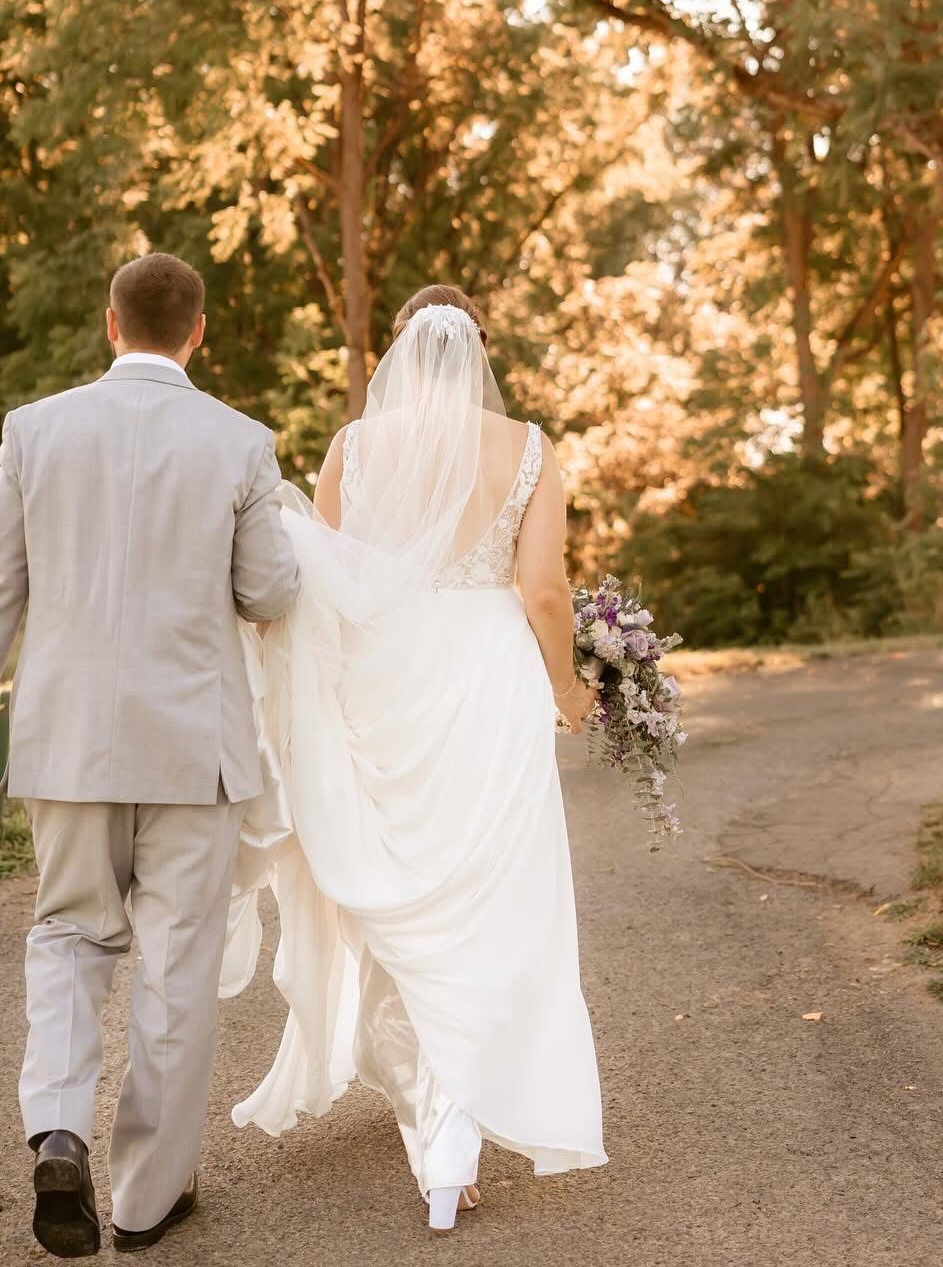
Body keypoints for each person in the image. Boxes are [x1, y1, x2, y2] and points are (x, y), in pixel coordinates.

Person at [0, 252, 300, 1257]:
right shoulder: (241, 442)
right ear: (199, 332)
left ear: (109, 324)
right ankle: (145, 1201)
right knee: (175, 968)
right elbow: (269, 592)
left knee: (68, 939)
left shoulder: (35, 432)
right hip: (194, 749)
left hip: (69, 745)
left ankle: (58, 1128)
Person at [222, 283, 607, 1232]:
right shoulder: (525, 446)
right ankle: (455, 1122)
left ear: (398, 351)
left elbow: (329, 584)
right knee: (489, 894)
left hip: (385, 677)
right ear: (480, 346)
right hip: (487, 675)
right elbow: (546, 592)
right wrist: (567, 692)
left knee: (402, 887)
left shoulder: (356, 447)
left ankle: (440, 1125)